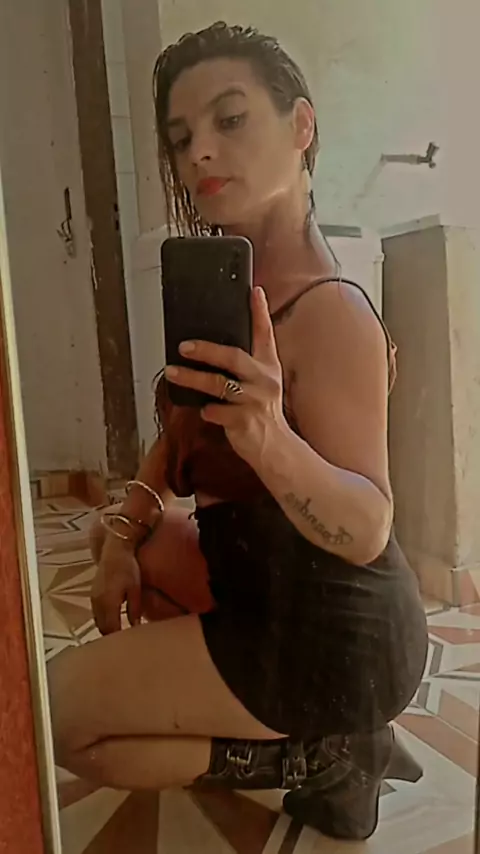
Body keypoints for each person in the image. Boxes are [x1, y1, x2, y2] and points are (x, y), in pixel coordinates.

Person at [47, 22, 428, 841]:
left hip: (338, 633)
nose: (201, 154)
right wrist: (124, 529)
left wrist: (270, 440)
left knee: (61, 720)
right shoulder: (225, 282)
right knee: (133, 543)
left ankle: (323, 754)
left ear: (300, 126)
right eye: (182, 138)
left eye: (229, 119)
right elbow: (181, 431)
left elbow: (368, 526)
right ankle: (287, 720)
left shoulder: (331, 313)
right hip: (264, 582)